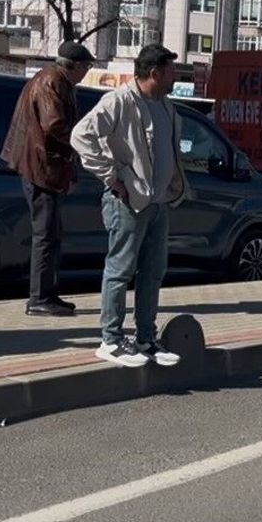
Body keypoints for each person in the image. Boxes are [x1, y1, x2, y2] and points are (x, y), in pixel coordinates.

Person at [71, 45, 188, 368]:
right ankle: (110, 340)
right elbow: (81, 136)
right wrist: (112, 177)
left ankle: (145, 339)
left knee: (153, 272)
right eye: (171, 71)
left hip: (158, 202)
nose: (175, 77)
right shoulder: (120, 101)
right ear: (154, 73)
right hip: (128, 202)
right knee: (120, 270)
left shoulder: (165, 105)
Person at [0, 41, 95, 317]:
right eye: (86, 67)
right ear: (73, 66)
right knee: (45, 235)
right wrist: (84, 141)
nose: (87, 72)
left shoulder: (57, 80)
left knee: (51, 234)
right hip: (40, 168)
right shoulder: (51, 81)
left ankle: (48, 294)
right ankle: (39, 298)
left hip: (46, 168)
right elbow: (54, 125)